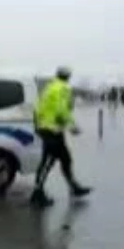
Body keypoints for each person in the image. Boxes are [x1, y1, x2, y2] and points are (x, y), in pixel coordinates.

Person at [30, 66, 92, 207]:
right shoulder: (63, 88)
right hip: (51, 130)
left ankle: (74, 187)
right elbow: (61, 109)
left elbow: (38, 108)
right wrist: (72, 125)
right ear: (68, 76)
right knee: (48, 161)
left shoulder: (49, 87)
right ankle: (37, 193)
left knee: (66, 159)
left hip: (48, 128)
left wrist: (39, 125)